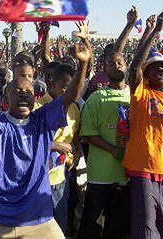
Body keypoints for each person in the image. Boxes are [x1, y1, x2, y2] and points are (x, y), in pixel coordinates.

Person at [0, 25, 91, 238]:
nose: (23, 95)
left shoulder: (43, 118)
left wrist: (83, 64)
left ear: (35, 98)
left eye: (28, 92)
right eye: (17, 92)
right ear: (6, 99)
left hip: (37, 217)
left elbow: (71, 95)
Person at [78, 50, 131, 239]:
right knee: (92, 225)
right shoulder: (96, 98)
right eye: (110, 64)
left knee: (117, 226)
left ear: (126, 64)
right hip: (100, 175)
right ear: (104, 70)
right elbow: (88, 134)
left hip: (126, 174)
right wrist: (113, 150)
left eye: (119, 62)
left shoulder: (136, 96)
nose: (116, 66)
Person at [123, 12, 163, 239]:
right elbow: (135, 66)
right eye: (155, 68)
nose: (160, 70)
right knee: (147, 227)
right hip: (144, 169)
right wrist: (156, 30)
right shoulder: (141, 93)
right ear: (146, 74)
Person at [34, 63, 81, 233]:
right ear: (53, 83)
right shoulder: (38, 107)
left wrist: (76, 150)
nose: (67, 92)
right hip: (41, 177)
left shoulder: (74, 108)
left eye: (71, 87)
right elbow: (31, 140)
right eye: (64, 87)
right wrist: (56, 145)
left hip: (62, 173)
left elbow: (74, 134)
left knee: (60, 222)